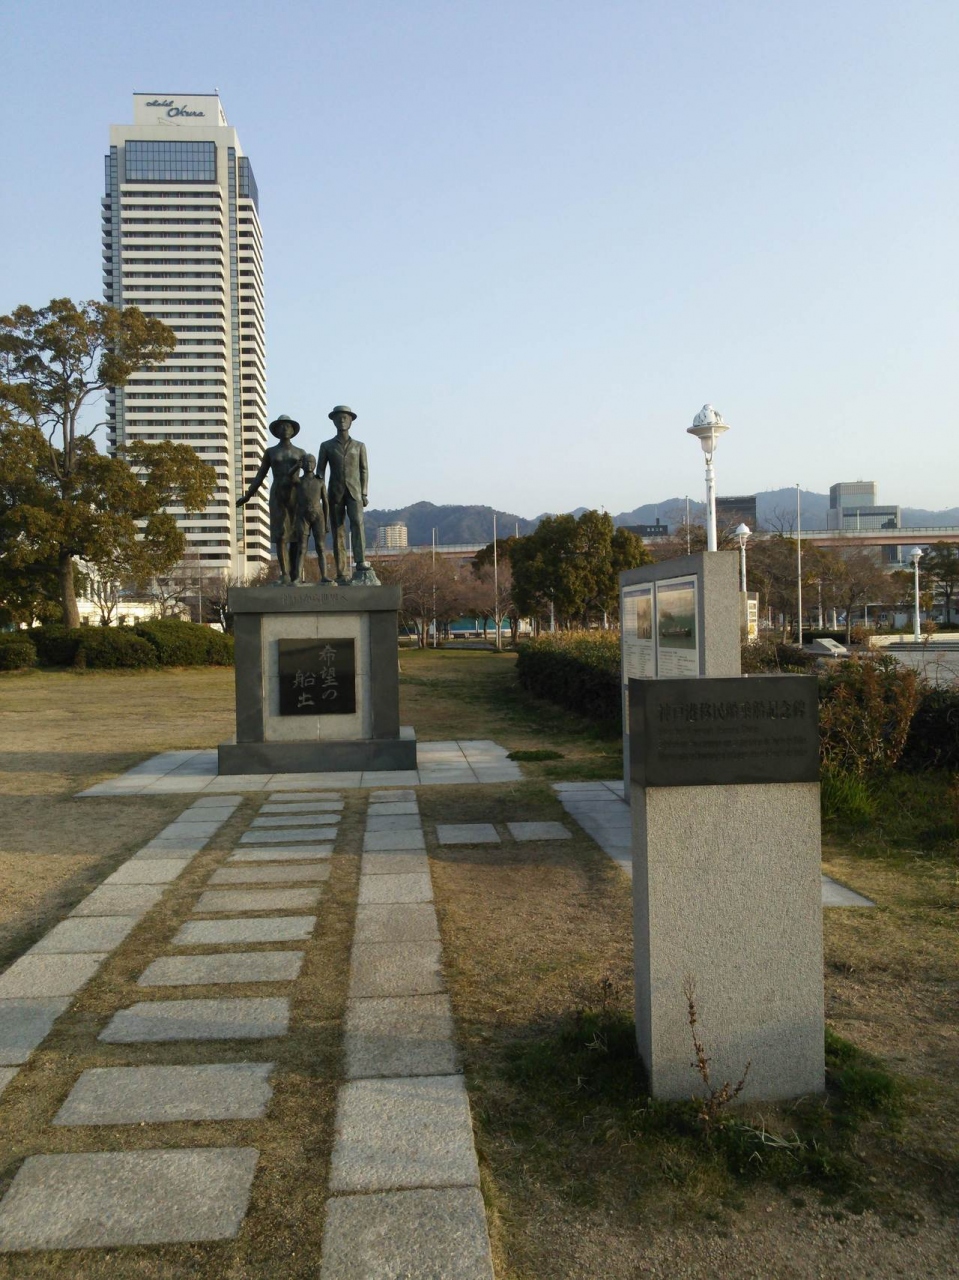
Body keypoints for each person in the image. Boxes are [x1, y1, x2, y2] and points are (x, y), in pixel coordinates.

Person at [236, 414, 305, 585]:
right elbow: (260, 475)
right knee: (281, 534)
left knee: (296, 535)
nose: (285, 429)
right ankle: (285, 573)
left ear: (293, 430)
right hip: (278, 494)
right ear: (277, 431)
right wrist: (248, 495)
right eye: (281, 426)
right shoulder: (271, 452)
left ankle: (295, 574)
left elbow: (309, 476)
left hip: (296, 494)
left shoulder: (300, 452)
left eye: (288, 426)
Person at [317, 405, 374, 584]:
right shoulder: (326, 446)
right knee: (338, 531)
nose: (342, 420)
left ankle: (360, 561)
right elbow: (320, 472)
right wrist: (319, 493)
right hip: (335, 493)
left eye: (345, 418)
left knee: (357, 524)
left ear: (351, 421)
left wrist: (364, 492)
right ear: (333, 421)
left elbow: (364, 470)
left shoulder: (359, 446)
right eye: (339, 418)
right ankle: (341, 571)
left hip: (355, 492)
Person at [293, 453, 333, 584]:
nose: (309, 465)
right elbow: (289, 477)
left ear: (315, 465)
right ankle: (297, 577)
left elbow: (326, 503)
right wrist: (296, 466)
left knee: (320, 547)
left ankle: (324, 576)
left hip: (318, 516)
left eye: (312, 462)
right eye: (306, 462)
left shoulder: (320, 482)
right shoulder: (298, 481)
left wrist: (326, 521)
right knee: (301, 548)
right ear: (303, 464)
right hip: (302, 516)